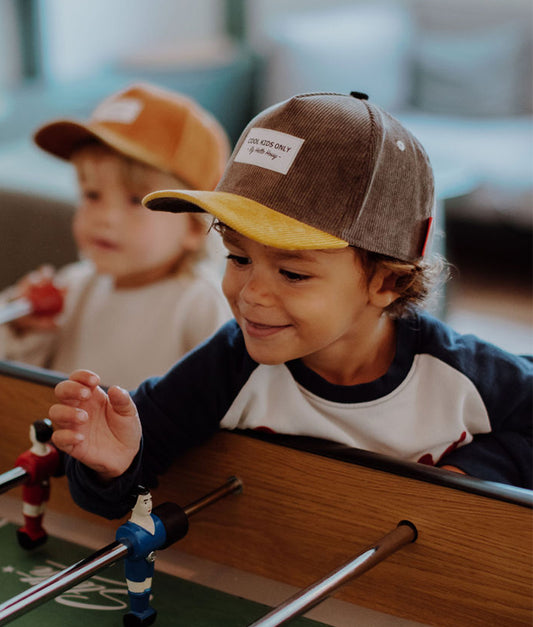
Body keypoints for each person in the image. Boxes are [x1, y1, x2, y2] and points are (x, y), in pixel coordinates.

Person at [48, 92, 532, 521]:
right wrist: (111, 467)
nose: (251, 294)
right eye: (237, 258)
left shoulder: (463, 373)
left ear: (385, 281)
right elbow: (125, 473)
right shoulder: (230, 361)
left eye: (293, 273)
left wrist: (470, 476)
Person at [0, 83, 231, 388]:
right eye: (92, 195)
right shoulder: (74, 286)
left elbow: (224, 402)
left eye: (136, 200)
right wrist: (22, 327)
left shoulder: (200, 303)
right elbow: (21, 385)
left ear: (193, 227)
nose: (104, 218)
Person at [116, 486, 164, 627]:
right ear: (133, 505)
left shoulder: (155, 521)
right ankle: (137, 612)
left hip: (149, 562)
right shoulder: (126, 531)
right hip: (136, 566)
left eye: (149, 500)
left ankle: (144, 610)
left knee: (147, 586)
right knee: (138, 589)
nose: (149, 505)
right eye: (144, 502)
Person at [15, 418, 61, 549]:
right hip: (45, 488)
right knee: (40, 510)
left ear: (35, 435)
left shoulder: (26, 459)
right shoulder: (53, 452)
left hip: (32, 492)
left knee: (31, 511)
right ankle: (37, 530)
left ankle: (31, 532)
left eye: (31, 430)